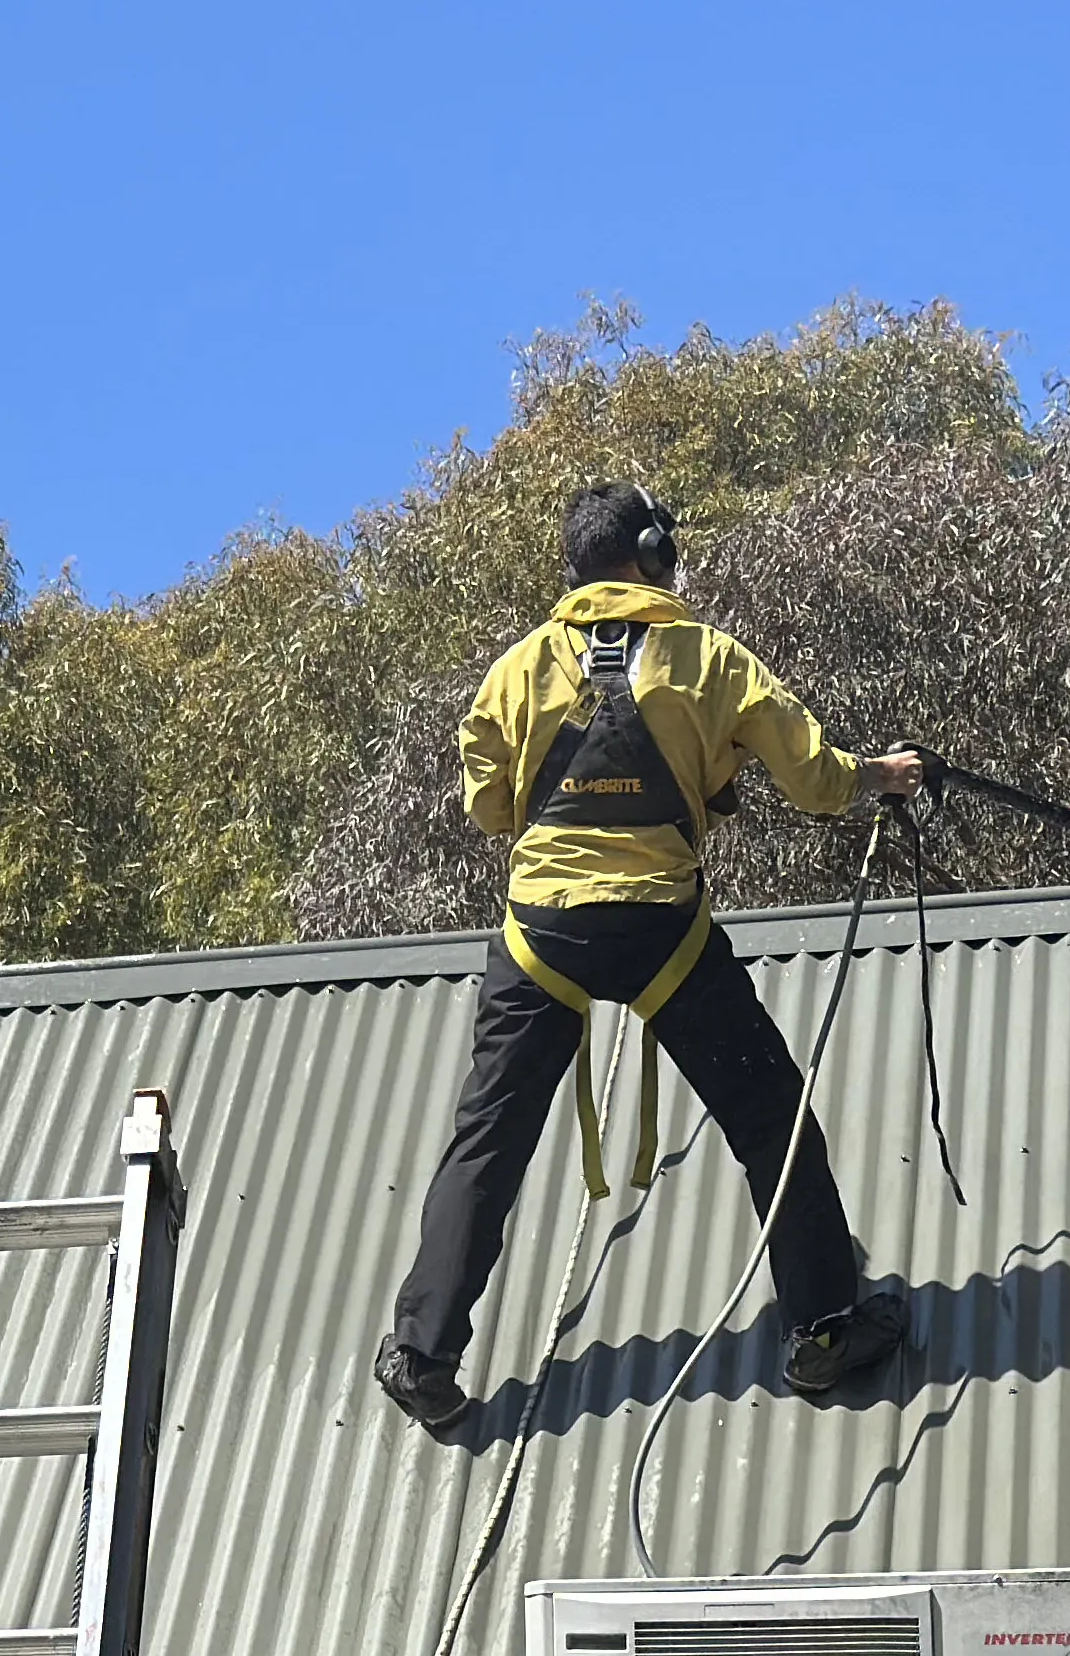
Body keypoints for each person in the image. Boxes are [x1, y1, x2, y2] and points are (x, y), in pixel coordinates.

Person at [374, 482, 923, 1434]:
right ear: (655, 553)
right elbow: (816, 782)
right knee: (771, 1119)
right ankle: (826, 1329)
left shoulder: (516, 670)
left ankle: (420, 1354)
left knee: (489, 1140)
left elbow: (489, 809)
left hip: (540, 936)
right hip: (664, 929)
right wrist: (882, 774)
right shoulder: (710, 658)